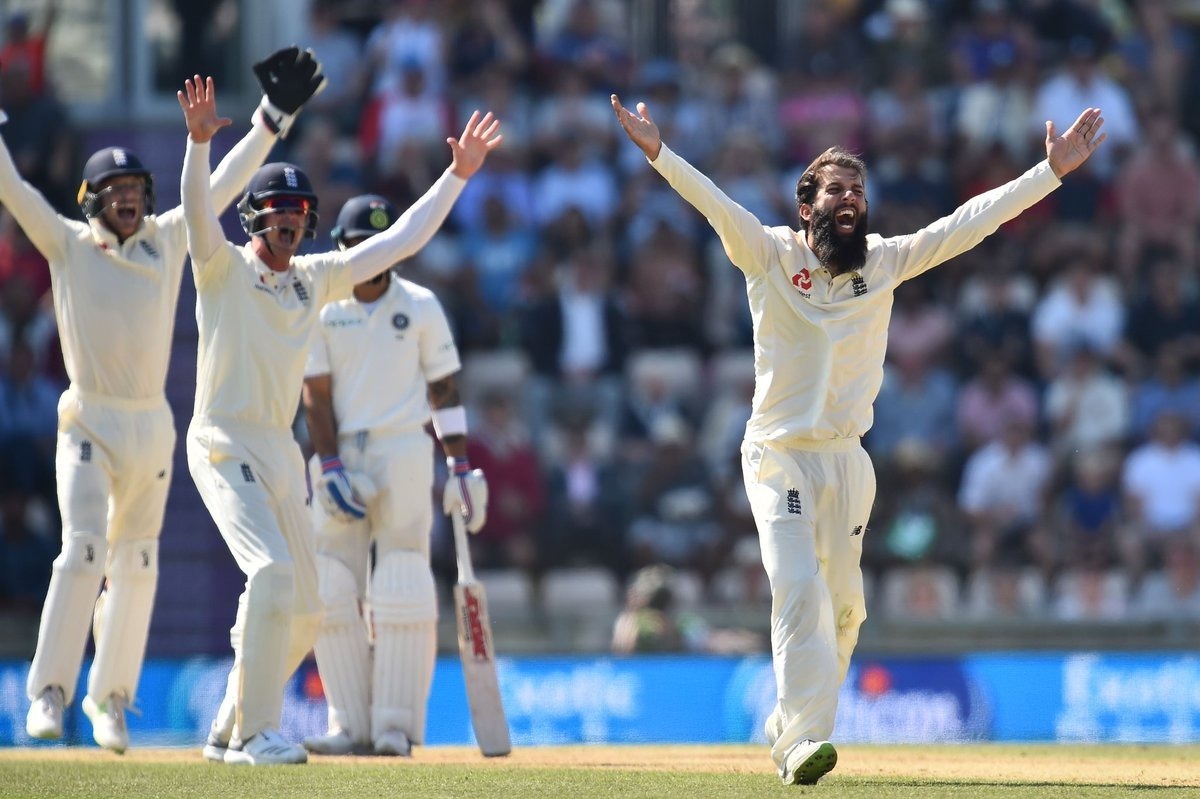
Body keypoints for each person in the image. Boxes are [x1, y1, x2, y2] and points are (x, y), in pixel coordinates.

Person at [611, 93, 1106, 785]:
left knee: (846, 610)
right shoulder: (770, 252)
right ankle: (799, 743)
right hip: (778, 453)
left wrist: (1048, 174)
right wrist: (660, 154)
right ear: (807, 204)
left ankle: (790, 720)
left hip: (847, 461)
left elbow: (969, 224)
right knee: (795, 587)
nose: (850, 198)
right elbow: (716, 204)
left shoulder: (884, 260)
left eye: (858, 189)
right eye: (835, 188)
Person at [177, 74, 501, 765]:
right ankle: (258, 734)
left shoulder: (314, 279)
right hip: (221, 438)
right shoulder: (220, 269)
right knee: (269, 573)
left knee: (310, 606)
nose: (291, 220)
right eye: (278, 210)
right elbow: (196, 209)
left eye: (299, 210)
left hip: (275, 449)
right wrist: (198, 146)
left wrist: (455, 177)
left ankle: (228, 721)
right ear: (254, 217)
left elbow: (399, 243)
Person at [14, 46, 325, 755]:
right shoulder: (65, 243)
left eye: (135, 185)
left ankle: (111, 699)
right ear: (91, 199)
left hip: (153, 424)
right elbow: (14, 192)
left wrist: (272, 120)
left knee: (138, 564)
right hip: (88, 415)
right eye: (114, 187)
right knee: (84, 547)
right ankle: (48, 691)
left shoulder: (169, 239)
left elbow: (220, 186)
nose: (128, 195)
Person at [299, 194, 488, 757]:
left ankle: (395, 726)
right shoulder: (324, 307)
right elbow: (316, 394)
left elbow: (444, 389)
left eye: (381, 247)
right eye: (361, 247)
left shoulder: (421, 305)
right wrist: (328, 464)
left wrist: (459, 465)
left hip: (405, 450)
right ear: (342, 248)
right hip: (341, 455)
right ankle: (349, 723)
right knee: (331, 585)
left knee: (403, 579)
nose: (372, 257)